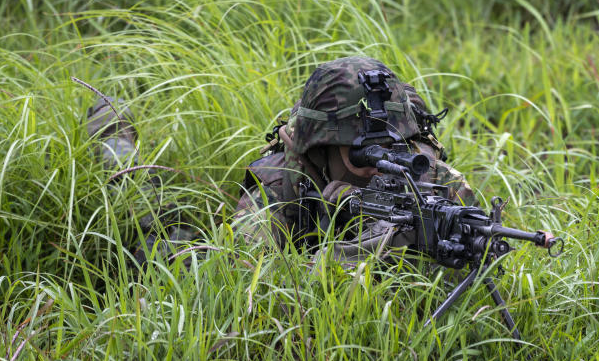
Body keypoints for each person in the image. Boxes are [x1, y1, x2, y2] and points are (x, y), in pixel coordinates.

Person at [85, 56, 475, 265]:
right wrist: (342, 259)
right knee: (160, 250)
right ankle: (115, 141)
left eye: (394, 146)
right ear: (323, 147)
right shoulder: (281, 182)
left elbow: (477, 237)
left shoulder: (424, 174)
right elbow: (242, 282)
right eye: (363, 152)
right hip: (248, 256)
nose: (383, 164)